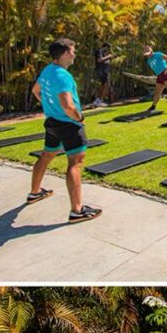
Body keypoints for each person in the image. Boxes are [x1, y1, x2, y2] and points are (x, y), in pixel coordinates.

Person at [28, 38, 102, 223]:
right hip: (69, 125)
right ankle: (77, 211)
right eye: (73, 50)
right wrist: (80, 118)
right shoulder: (62, 75)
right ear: (66, 53)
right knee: (75, 164)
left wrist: (49, 106)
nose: (75, 54)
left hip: (52, 123)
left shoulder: (47, 71)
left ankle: (35, 193)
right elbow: (68, 106)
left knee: (46, 156)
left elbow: (36, 91)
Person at [144, 44, 167, 115]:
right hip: (160, 76)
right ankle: (153, 106)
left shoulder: (157, 54)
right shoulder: (148, 60)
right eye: (146, 54)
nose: (148, 55)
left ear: (151, 51)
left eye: (148, 53)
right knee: (157, 93)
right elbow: (156, 67)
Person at [92, 42, 114, 107]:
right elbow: (99, 60)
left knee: (104, 85)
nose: (107, 50)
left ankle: (98, 100)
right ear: (105, 47)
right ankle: (100, 100)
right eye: (107, 48)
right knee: (106, 85)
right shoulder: (99, 51)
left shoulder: (103, 52)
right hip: (101, 70)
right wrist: (108, 56)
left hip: (104, 70)